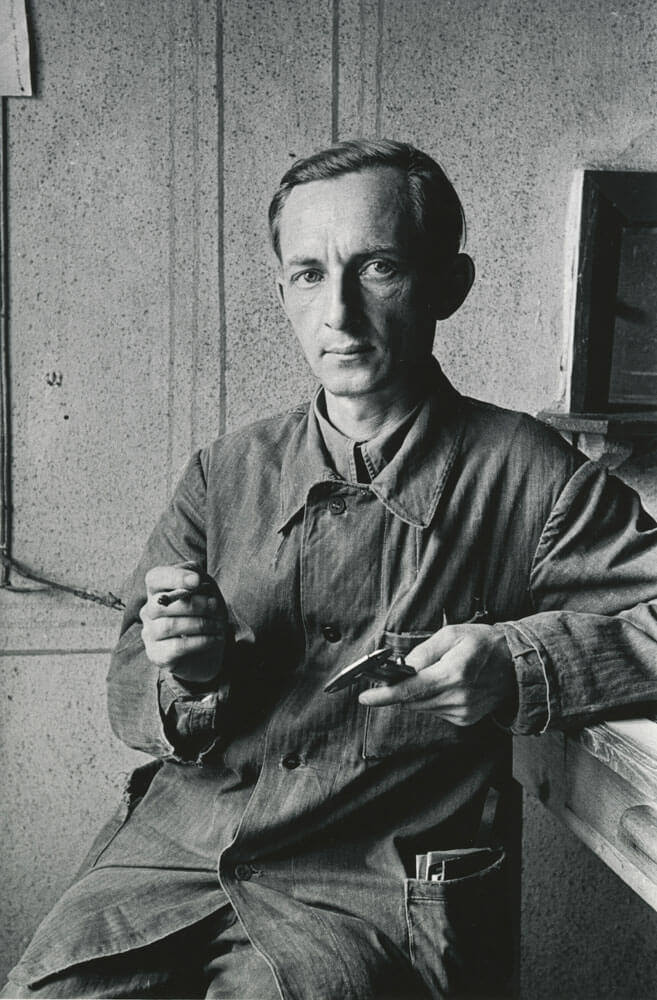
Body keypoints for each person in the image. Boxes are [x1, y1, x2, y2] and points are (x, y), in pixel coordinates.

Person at [4, 139, 657, 1000]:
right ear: (281, 293)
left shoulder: (532, 474)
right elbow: (133, 678)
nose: (337, 313)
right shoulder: (225, 469)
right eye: (309, 274)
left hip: (372, 881)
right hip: (180, 855)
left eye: (377, 267)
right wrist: (189, 675)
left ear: (447, 287)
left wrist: (515, 661)